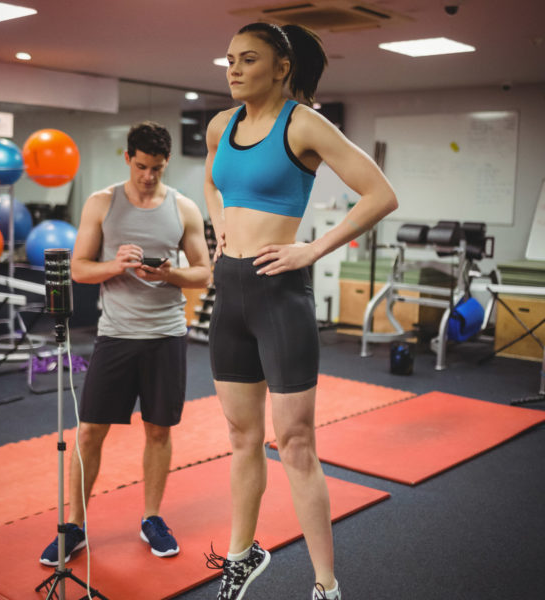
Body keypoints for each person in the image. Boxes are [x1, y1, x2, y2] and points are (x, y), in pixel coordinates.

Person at [203, 22, 398, 600]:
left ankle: (325, 585)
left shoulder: (304, 124)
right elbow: (213, 182)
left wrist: (312, 248)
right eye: (229, 58)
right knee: (242, 437)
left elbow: (381, 194)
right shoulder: (222, 124)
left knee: (295, 444)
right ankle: (242, 556)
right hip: (229, 289)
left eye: (248, 59)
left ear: (281, 67)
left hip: (278, 293)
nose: (233, 69)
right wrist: (218, 230)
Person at [40, 121, 211, 566]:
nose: (148, 176)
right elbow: (78, 269)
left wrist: (170, 274)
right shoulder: (102, 203)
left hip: (167, 336)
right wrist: (114, 265)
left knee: (158, 431)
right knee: (91, 431)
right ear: (127, 158)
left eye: (156, 168)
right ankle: (75, 525)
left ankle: (151, 518)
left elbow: (204, 273)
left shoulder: (184, 208)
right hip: (115, 336)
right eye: (140, 166)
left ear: (166, 162)